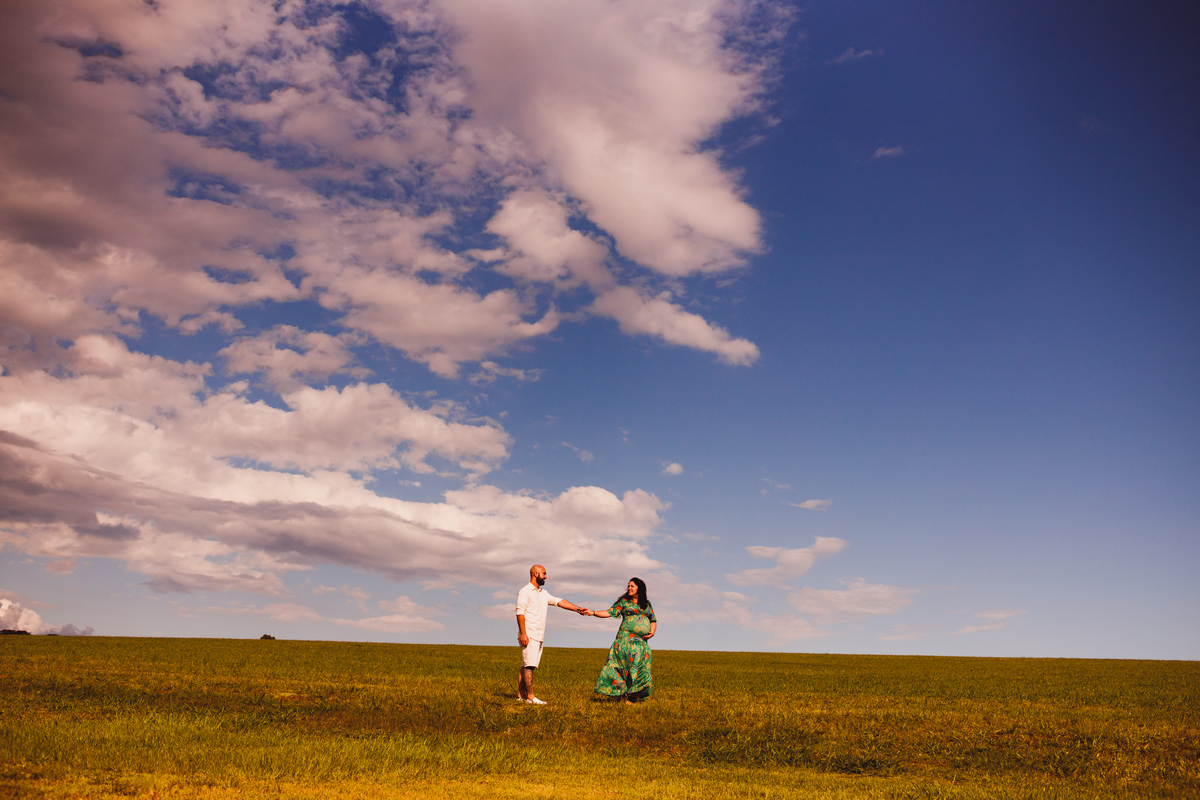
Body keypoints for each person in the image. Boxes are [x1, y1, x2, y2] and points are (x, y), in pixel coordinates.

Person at [515, 564, 589, 705]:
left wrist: (578, 609)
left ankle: (520, 696)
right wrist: (523, 634)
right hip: (529, 634)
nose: (546, 576)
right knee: (529, 665)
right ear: (536, 574)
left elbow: (559, 602)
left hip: (539, 634)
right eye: (544, 573)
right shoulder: (525, 591)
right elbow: (520, 613)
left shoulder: (543, 593)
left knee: (527, 664)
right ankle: (531, 697)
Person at [583, 577, 655, 703]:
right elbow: (609, 612)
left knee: (640, 667)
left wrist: (652, 632)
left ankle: (633, 698)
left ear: (640, 588)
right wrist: (593, 612)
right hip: (624, 640)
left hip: (641, 642)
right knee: (621, 666)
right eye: (628, 586)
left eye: (632, 586)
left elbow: (653, 619)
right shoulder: (624, 602)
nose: (629, 588)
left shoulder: (646, 604)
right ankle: (620, 696)